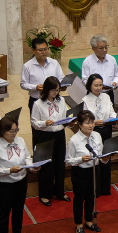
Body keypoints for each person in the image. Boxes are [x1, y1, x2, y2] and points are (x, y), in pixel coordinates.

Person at [0, 116, 37, 233]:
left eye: (16, 130)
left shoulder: (20, 141)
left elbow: (27, 157)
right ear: (2, 131)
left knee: (19, 209)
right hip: (5, 184)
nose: (14, 133)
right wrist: (9, 170)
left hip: (21, 181)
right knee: (4, 212)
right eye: (11, 131)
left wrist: (33, 166)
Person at [65, 110, 110, 233]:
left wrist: (105, 158)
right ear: (79, 124)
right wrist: (80, 159)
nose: (91, 125)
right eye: (87, 123)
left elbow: (100, 154)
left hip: (94, 169)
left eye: (92, 122)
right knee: (80, 198)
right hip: (80, 172)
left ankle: (89, 220)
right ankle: (79, 224)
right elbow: (68, 161)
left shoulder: (97, 135)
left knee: (91, 196)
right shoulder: (74, 140)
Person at [31, 76, 70, 206]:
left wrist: (68, 121)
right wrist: (44, 123)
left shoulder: (61, 100)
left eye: (57, 90)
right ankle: (45, 194)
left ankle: (59, 191)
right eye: (53, 90)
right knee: (46, 166)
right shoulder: (38, 104)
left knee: (60, 164)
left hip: (59, 135)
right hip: (45, 136)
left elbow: (65, 116)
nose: (55, 92)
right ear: (47, 89)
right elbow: (34, 122)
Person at [82, 73, 116, 196]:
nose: (98, 88)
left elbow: (112, 112)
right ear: (89, 86)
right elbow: (85, 119)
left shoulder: (106, 97)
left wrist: (112, 118)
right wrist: (94, 123)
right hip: (94, 131)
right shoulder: (85, 100)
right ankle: (96, 189)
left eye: (100, 85)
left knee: (106, 157)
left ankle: (105, 187)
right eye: (96, 85)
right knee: (96, 157)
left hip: (106, 129)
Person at [20, 37, 65, 114]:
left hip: (53, 99)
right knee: (37, 121)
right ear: (33, 51)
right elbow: (23, 84)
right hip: (36, 99)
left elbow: (61, 78)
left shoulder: (54, 63)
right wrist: (35, 87)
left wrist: (62, 85)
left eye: (46, 49)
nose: (44, 52)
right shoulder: (27, 66)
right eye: (40, 50)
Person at [82, 35, 118, 105]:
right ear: (94, 49)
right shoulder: (87, 61)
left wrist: (115, 82)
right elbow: (85, 80)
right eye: (101, 48)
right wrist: (96, 87)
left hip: (109, 93)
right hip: (93, 95)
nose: (104, 50)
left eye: (106, 47)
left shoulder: (112, 59)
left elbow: (116, 74)